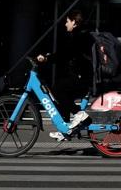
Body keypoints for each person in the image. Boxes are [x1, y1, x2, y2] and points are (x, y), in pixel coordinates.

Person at [36, 10, 93, 139]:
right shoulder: (80, 35)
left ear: (74, 22)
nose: (65, 24)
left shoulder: (79, 36)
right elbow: (66, 54)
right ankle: (65, 129)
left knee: (57, 89)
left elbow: (64, 55)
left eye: (67, 21)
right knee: (61, 93)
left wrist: (46, 59)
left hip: (82, 78)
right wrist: (49, 57)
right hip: (81, 77)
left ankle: (80, 114)